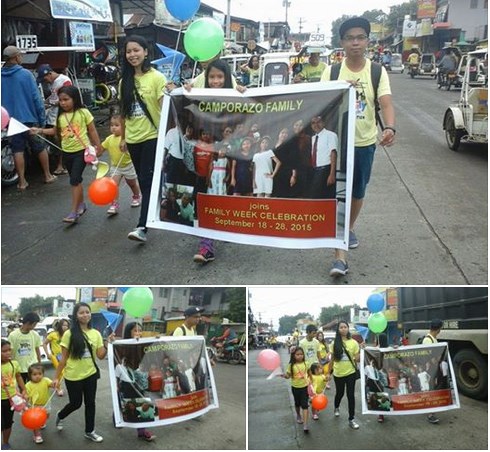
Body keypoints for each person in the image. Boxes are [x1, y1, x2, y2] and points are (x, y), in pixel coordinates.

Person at [320, 17, 396, 277]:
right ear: (342, 42)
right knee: (337, 194)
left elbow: (385, 102)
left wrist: (389, 127)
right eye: (350, 38)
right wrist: (339, 91)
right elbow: (319, 104)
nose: (355, 42)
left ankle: (347, 227)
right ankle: (340, 255)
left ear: (367, 41)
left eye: (360, 37)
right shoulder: (331, 72)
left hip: (364, 142)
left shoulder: (376, 71)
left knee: (357, 192)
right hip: (336, 144)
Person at [120, 35, 167, 243]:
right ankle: (155, 204)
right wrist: (122, 137)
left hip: (152, 136)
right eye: (129, 51)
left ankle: (142, 225)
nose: (132, 55)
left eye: (136, 50)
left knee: (146, 179)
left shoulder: (157, 78)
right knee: (143, 179)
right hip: (132, 138)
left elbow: (165, 108)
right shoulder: (124, 81)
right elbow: (124, 113)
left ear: (146, 52)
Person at [31, 85, 101, 223]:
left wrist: (98, 146)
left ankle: (73, 212)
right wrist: (38, 130)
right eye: (61, 100)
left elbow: (92, 130)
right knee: (76, 180)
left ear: (74, 99)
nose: (63, 102)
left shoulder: (83, 112)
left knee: (74, 180)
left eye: (66, 99)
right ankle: (81, 204)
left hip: (81, 152)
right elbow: (54, 131)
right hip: (67, 153)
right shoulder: (61, 116)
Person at [53, 302, 113, 443]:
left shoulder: (96, 333)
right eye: (81, 312)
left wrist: (106, 343)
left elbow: (100, 356)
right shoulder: (69, 334)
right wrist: (56, 378)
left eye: (87, 312)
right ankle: (61, 415)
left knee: (90, 403)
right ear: (76, 315)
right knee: (76, 403)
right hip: (73, 376)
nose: (85, 315)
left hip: (90, 374)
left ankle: (89, 431)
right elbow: (63, 359)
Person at [1, 46, 57, 190]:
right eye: (20, 55)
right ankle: (47, 175)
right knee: (39, 147)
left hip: (10, 120)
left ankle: (22, 182)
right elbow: (36, 98)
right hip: (29, 118)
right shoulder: (26, 74)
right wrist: (42, 120)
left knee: (17, 149)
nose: (21, 57)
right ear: (15, 57)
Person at [119, 321, 156, 441]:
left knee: (142, 401)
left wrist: (157, 340)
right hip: (127, 380)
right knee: (126, 401)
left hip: (141, 380)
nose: (138, 333)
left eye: (140, 331)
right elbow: (117, 364)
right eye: (135, 330)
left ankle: (142, 431)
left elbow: (155, 350)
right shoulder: (122, 346)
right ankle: (117, 416)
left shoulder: (143, 345)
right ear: (128, 333)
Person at [98, 114, 142, 215]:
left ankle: (136, 196)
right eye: (112, 125)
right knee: (113, 185)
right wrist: (93, 154)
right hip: (115, 167)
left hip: (128, 165)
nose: (113, 127)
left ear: (124, 126)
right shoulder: (109, 139)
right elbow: (101, 149)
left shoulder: (127, 138)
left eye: (117, 125)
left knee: (132, 183)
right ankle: (114, 204)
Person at [36, 63, 72, 176]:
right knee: (53, 141)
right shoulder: (53, 84)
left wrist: (52, 103)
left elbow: (67, 99)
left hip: (61, 116)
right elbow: (52, 98)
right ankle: (58, 164)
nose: (45, 81)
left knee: (60, 140)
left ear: (50, 74)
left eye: (45, 78)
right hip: (52, 116)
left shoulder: (64, 80)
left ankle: (62, 165)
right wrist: (44, 103)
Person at [328, 320, 360, 429]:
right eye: (341, 327)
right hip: (338, 373)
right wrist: (328, 373)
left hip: (351, 372)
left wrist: (362, 350)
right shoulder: (333, 343)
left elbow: (357, 359)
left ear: (348, 328)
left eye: (345, 327)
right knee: (340, 393)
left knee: (351, 395)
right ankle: (336, 407)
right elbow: (331, 360)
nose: (343, 329)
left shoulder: (354, 343)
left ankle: (351, 419)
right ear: (338, 329)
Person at [1, 339, 27, 450]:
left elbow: (18, 376)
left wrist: (24, 389)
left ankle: (5, 443)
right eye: (3, 351)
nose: (8, 353)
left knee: (8, 423)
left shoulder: (14, 363)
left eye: (9, 350)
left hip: (11, 399)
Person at [25, 363, 56, 444]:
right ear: (30, 375)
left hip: (46, 403)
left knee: (47, 415)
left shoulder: (45, 380)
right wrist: (25, 397)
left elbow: (51, 384)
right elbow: (26, 394)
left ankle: (42, 422)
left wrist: (54, 384)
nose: (37, 376)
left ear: (43, 374)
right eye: (34, 374)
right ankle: (37, 435)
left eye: (40, 374)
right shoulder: (28, 385)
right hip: (34, 405)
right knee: (35, 422)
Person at [7, 312, 42, 383]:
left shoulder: (35, 335)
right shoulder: (13, 335)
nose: (35, 327)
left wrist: (39, 364)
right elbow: (10, 352)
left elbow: (37, 349)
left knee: (33, 387)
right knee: (22, 389)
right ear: (28, 323)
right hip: (19, 368)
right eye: (34, 324)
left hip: (33, 368)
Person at [308, 115, 337, 199]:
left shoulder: (331, 135)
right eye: (313, 123)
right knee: (314, 197)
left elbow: (333, 154)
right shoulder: (313, 138)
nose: (316, 125)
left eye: (318, 122)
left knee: (324, 197)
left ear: (323, 123)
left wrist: (332, 174)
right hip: (314, 171)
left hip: (325, 170)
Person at [283, 347, 310, 433]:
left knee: (305, 405)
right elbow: (288, 376)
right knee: (297, 404)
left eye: (301, 354)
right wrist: (284, 375)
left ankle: (305, 425)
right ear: (293, 355)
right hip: (295, 387)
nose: (300, 356)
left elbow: (310, 374)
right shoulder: (291, 365)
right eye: (297, 354)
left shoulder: (306, 363)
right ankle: (298, 415)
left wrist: (313, 382)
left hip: (305, 387)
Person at [422, 318, 443, 424]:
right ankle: (430, 414)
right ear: (438, 329)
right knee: (430, 391)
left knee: (432, 391)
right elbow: (426, 357)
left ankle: (431, 411)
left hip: (433, 369)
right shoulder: (427, 340)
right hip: (429, 370)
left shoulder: (433, 339)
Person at [43, 318, 70, 396]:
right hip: (55, 356)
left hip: (66, 356)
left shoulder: (68, 334)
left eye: (67, 326)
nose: (65, 327)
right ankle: (58, 388)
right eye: (64, 325)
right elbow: (44, 343)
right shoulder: (53, 334)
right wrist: (47, 353)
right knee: (60, 373)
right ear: (60, 326)